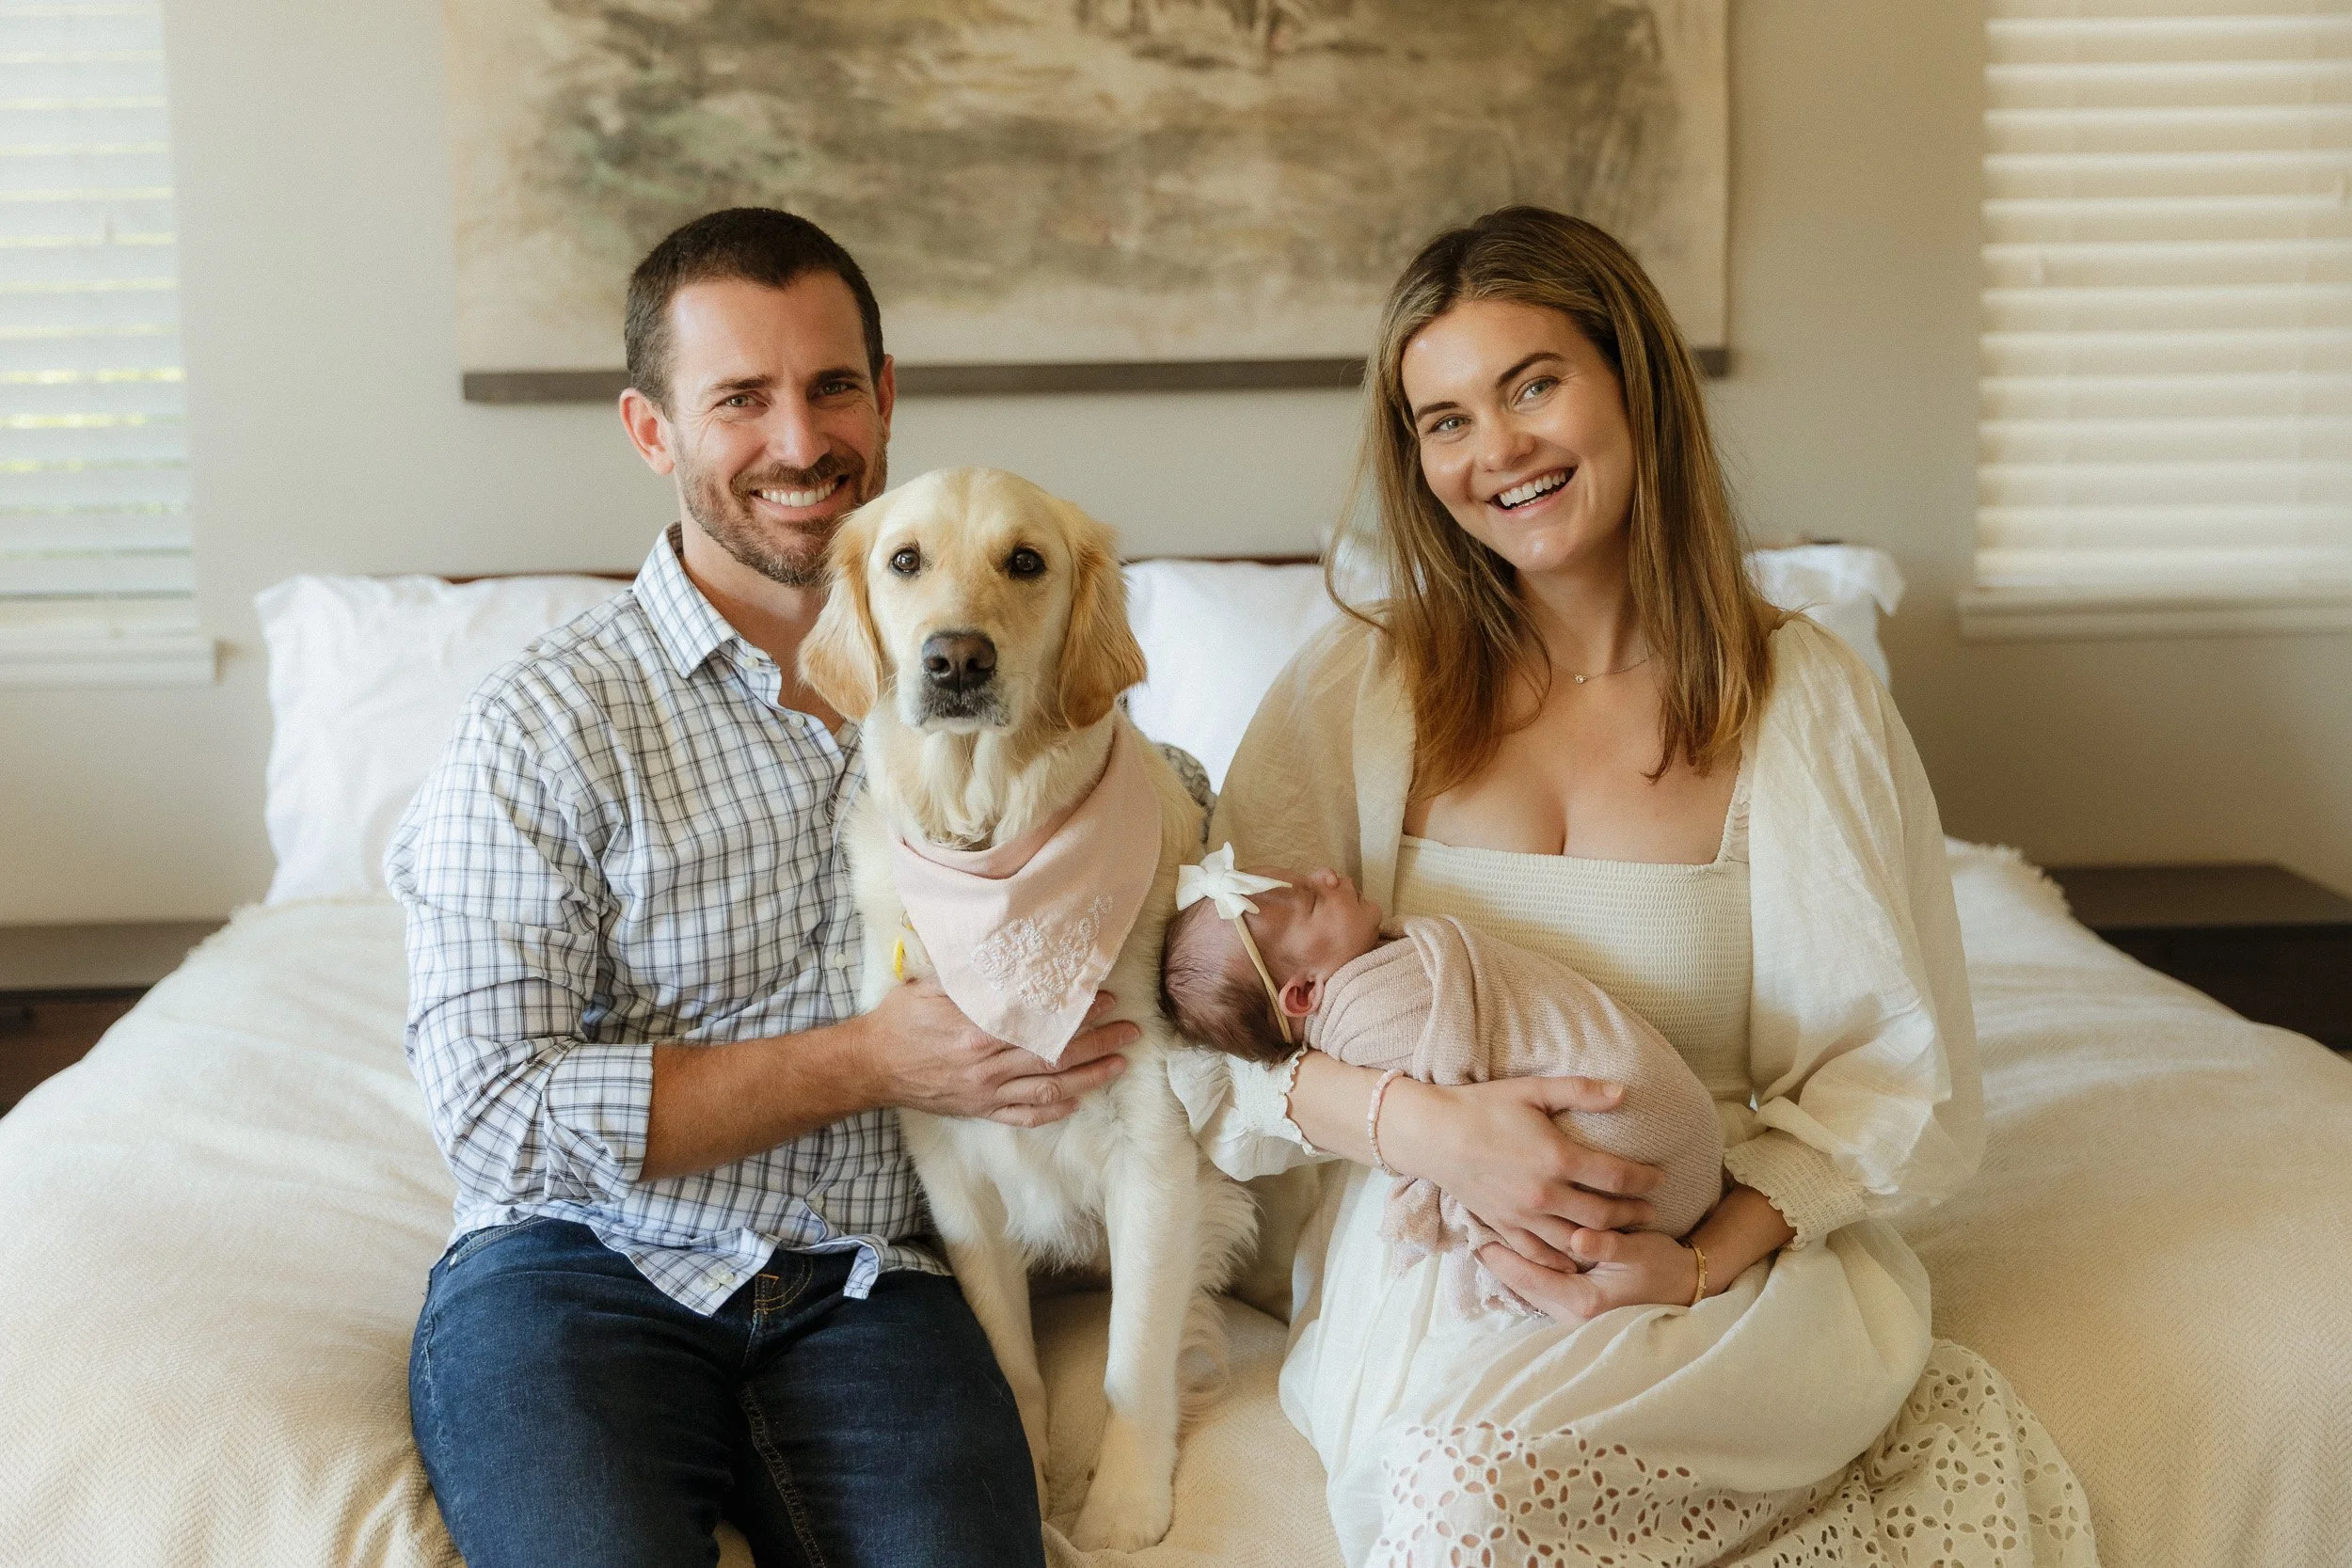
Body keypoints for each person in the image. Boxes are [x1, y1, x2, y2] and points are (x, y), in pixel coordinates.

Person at [1185, 207, 2098, 1565]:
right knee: (1460, 1487)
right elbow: (1204, 1033)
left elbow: (1889, 1077)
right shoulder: (1357, 688)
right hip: (1438, 1230)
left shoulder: (1799, 703)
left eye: (1532, 383)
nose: (1494, 450)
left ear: (1634, 381)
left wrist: (1694, 1259)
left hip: (1708, 1237)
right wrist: (1421, 1127)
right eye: (1443, 420)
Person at [386, 208, 1136, 1568]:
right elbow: (494, 1114)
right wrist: (867, 1060)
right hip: (578, 1270)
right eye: (741, 398)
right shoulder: (544, 725)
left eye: (833, 385)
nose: (801, 442)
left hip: (879, 1285)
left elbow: (1146, 804)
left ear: (887, 394)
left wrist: (1224, 940)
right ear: (652, 430)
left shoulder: (996, 672)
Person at [1159, 847, 1724, 1318]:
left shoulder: (1367, 970)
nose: (1327, 873)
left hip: (1659, 1161)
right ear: (1303, 994)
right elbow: (1202, 1078)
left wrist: (1703, 1269)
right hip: (1600, 1187)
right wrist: (1426, 1131)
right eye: (1311, 896)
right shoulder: (1369, 1015)